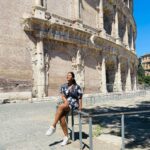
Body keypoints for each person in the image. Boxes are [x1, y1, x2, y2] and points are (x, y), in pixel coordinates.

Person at [45, 72, 83, 146]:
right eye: (67, 75)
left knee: (60, 107)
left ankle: (53, 126)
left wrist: (80, 107)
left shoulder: (77, 87)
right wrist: (66, 101)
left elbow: (80, 97)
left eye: (70, 75)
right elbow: (62, 95)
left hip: (74, 103)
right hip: (66, 103)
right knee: (61, 117)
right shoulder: (63, 86)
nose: (68, 76)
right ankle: (66, 137)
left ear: (73, 77)